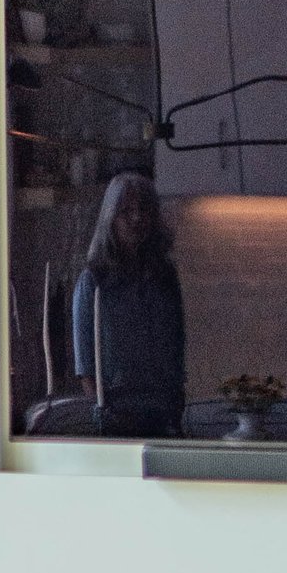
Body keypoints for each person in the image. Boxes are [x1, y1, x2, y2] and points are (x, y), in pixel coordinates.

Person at [70, 172, 187, 438]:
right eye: (126, 211)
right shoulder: (94, 281)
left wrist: (175, 404)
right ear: (110, 217)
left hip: (163, 412)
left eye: (144, 210)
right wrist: (104, 413)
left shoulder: (164, 276)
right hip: (115, 415)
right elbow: (85, 365)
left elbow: (176, 347)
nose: (137, 218)